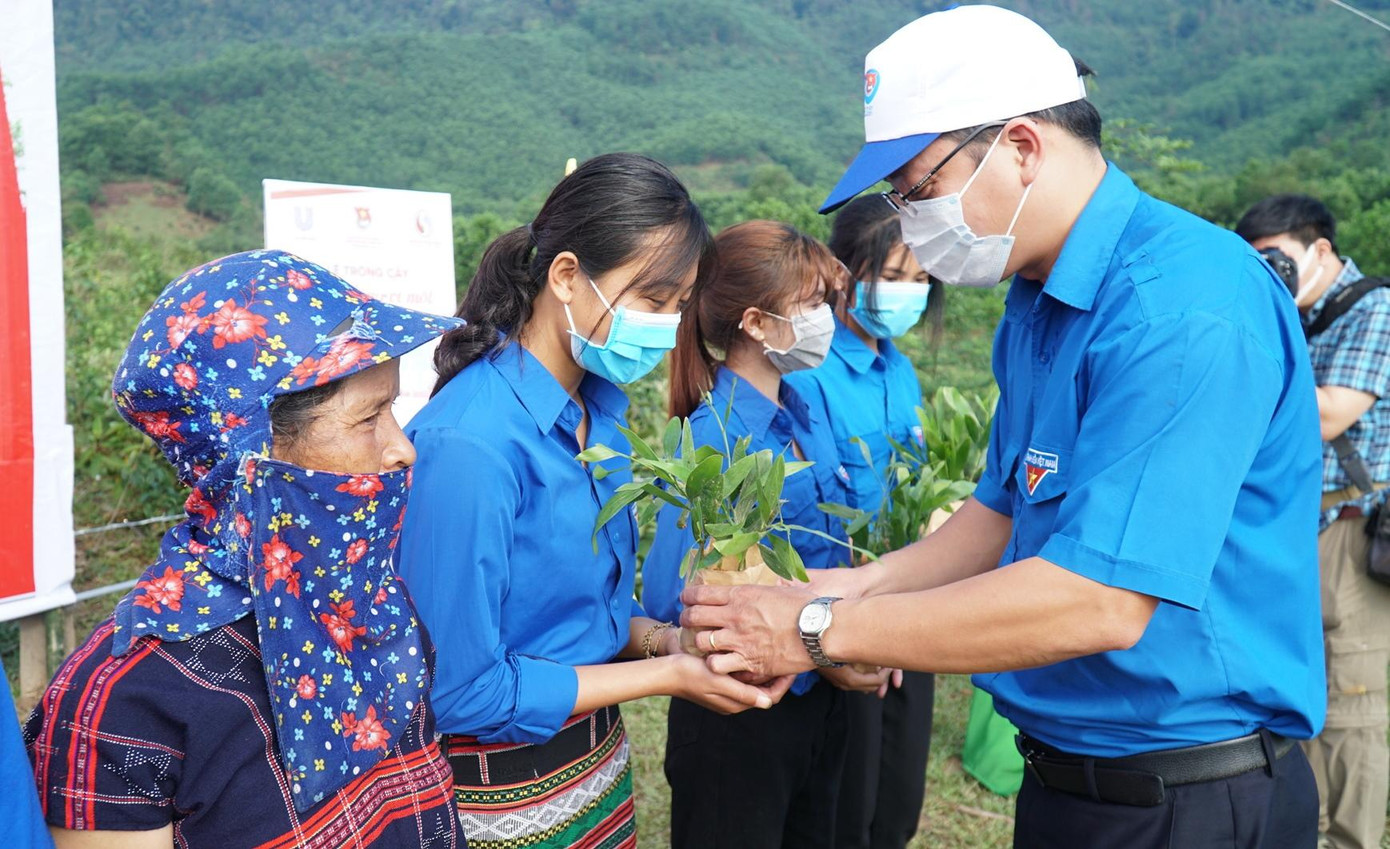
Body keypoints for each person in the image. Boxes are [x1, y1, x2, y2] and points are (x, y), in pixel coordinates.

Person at [680, 6, 1326, 848]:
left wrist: (815, 632)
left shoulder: (1181, 308)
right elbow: (998, 515)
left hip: (1188, 790)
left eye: (917, 188)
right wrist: (835, 591)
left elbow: (1100, 599)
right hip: (1070, 776)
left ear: (1021, 148)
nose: (909, 218)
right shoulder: (1036, 302)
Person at [397, 153, 790, 849]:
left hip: (592, 766)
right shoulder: (470, 445)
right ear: (567, 276)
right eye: (652, 299)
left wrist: (670, 639)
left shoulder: (597, 413)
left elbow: (577, 619)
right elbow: (464, 689)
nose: (668, 327)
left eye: (679, 305)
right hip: (502, 797)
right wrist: (668, 674)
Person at [25, 251, 467, 847]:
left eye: (393, 409)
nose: (402, 450)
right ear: (251, 455)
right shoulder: (124, 700)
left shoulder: (366, 602)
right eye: (369, 418)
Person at [642, 219, 866, 849]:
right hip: (739, 712)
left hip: (819, 690)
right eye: (813, 304)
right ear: (757, 324)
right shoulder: (714, 438)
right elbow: (668, 593)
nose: (826, 318)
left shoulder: (805, 408)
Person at [783, 196, 937, 849]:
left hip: (914, 604)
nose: (908, 293)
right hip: (843, 617)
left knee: (898, 798)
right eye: (893, 276)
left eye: (922, 280)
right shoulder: (810, 373)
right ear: (845, 271)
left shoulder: (899, 367)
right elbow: (806, 517)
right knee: (848, 801)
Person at [1237, 194, 1390, 849]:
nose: (1270, 276)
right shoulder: (1295, 316)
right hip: (1294, 531)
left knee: (1352, 704)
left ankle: (1347, 839)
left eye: (1278, 260)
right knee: (1298, 692)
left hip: (1350, 533)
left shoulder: (1375, 307)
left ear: (1321, 250)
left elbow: (1329, 413)